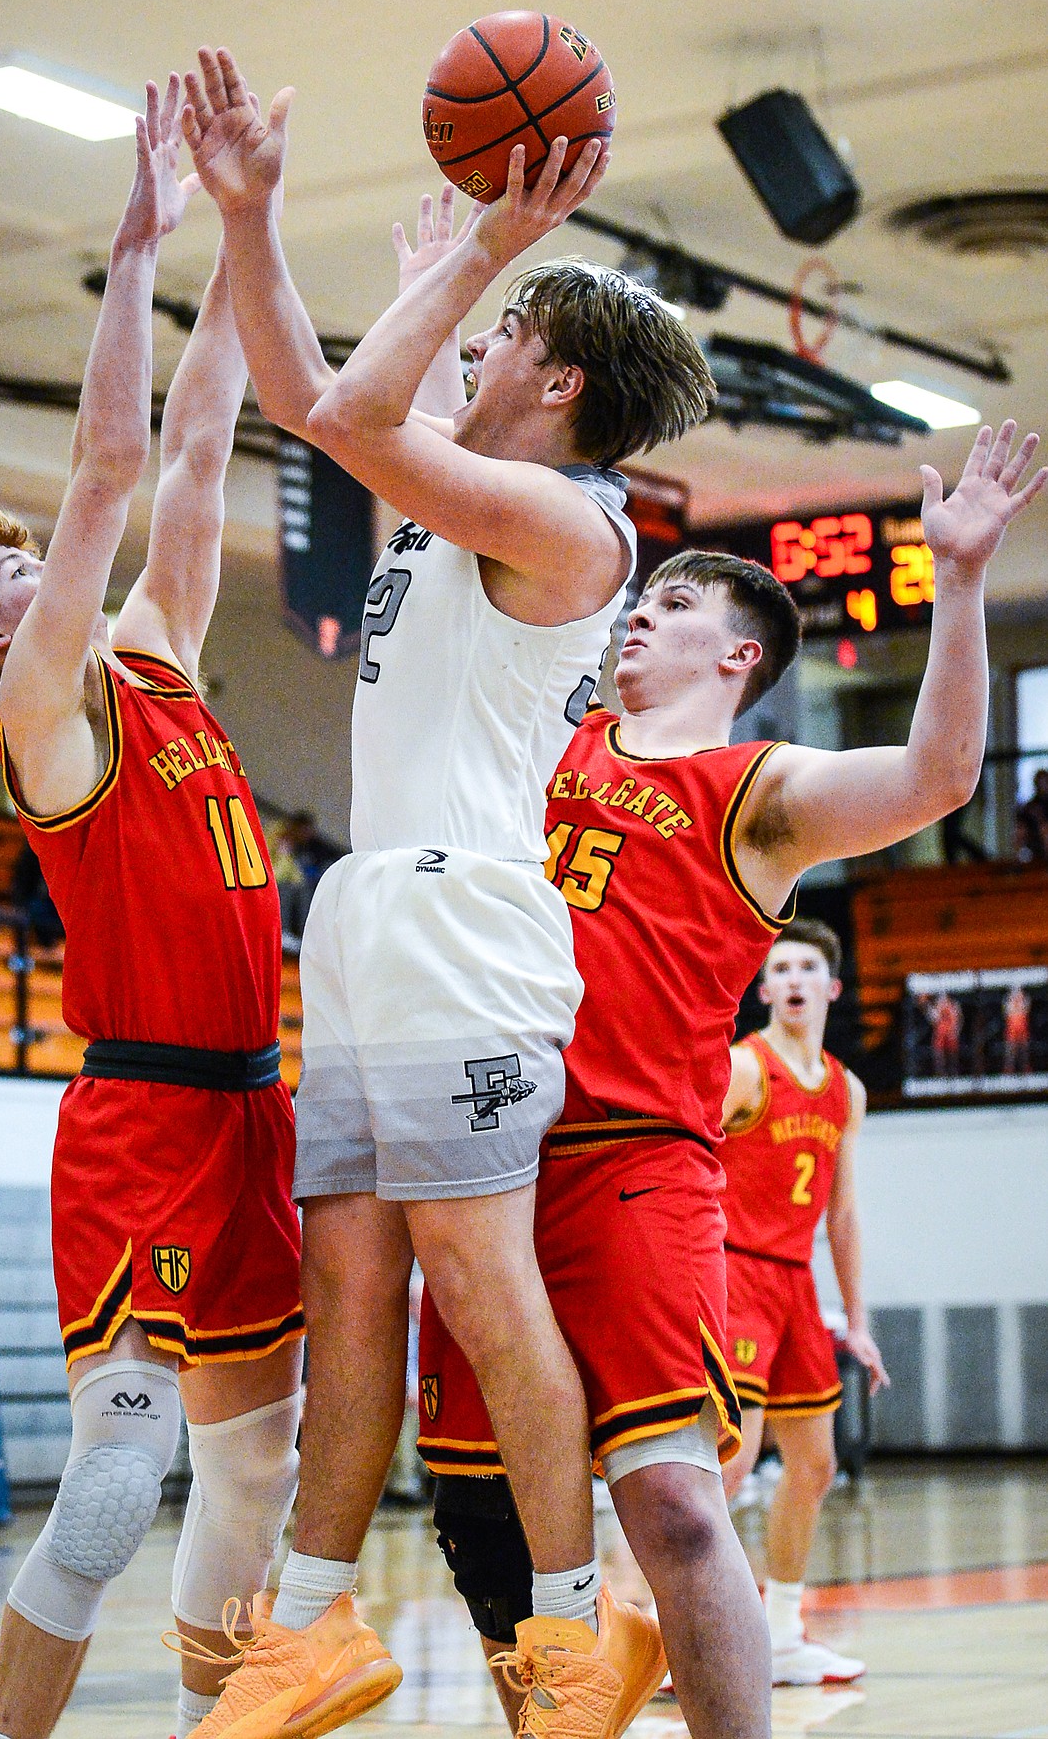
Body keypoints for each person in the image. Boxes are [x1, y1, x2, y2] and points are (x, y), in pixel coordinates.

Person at [177, 44, 715, 1739]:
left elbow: (337, 411)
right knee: (353, 1288)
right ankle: (320, 1624)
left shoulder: (568, 526)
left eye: (499, 335)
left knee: (480, 1288)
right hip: (367, 919)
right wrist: (251, 214)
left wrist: (477, 250)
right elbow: (306, 388)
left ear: (552, 383)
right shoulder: (445, 484)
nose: (469, 344)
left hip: (464, 925)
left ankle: (574, 1627)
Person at [417, 418, 1045, 1739]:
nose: (636, 618)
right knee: (481, 1515)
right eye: (638, 600)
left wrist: (963, 578)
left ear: (738, 653)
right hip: (482, 1167)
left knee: (678, 1503)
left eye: (672, 603)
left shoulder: (752, 790)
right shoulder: (546, 737)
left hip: (634, 1164)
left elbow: (934, 777)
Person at [0, 79, 304, 1739]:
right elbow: (119, 454)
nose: (54, 570)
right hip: (141, 1116)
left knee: (252, 1472)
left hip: (257, 1112)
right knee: (121, 1485)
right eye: (21, 575)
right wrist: (134, 248)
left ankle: (223, 1726)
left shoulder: (163, 663)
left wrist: (232, 232)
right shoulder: (43, 712)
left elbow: (199, 443)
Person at [718, 920, 889, 1686]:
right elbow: (684, 1155)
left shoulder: (844, 1089)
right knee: (730, 1463)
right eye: (778, 966)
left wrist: (858, 1322)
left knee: (814, 1464)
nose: (790, 977)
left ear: (831, 988)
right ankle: (674, 1632)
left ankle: (782, 1633)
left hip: (794, 1282)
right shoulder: (743, 1070)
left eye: (805, 966)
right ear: (762, 990)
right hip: (730, 1274)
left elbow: (843, 1215)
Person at [1015, 767, 1048, 863]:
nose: (1043, 785)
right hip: (1034, 842)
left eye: (1045, 782)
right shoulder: (1030, 806)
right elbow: (1021, 826)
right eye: (1040, 782)